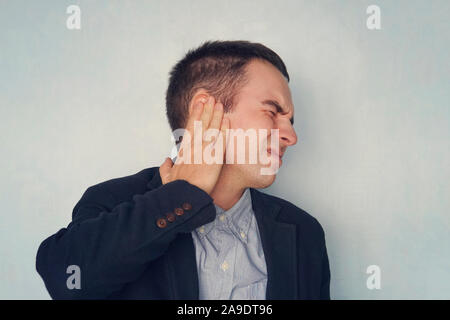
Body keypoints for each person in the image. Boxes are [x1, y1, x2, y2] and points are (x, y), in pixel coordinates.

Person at [36, 40, 330, 299]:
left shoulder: (305, 232)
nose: (291, 137)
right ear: (204, 109)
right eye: (272, 112)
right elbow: (68, 282)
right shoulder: (112, 200)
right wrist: (179, 197)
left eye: (290, 122)